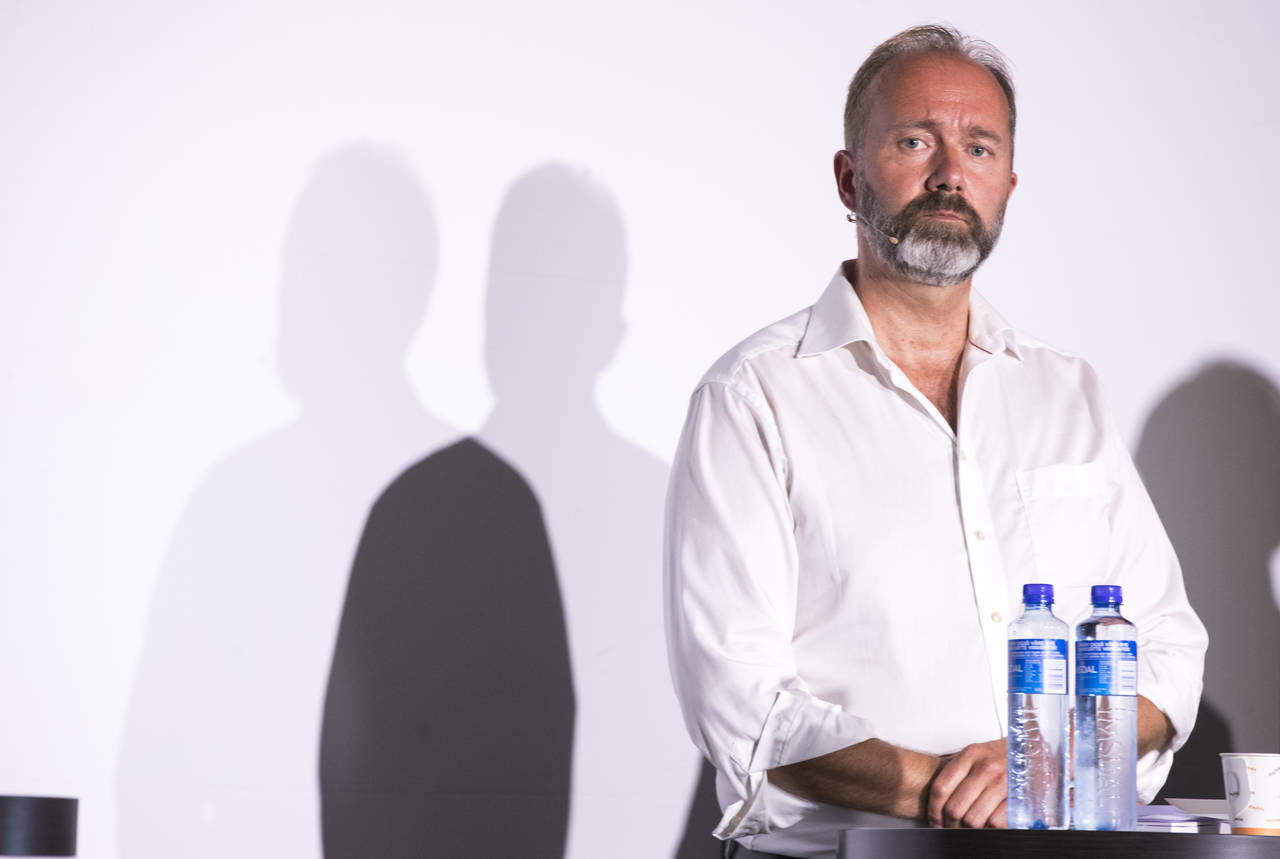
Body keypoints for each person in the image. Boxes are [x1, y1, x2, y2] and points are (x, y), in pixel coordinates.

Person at [662, 24, 1207, 859]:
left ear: (1009, 186)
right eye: (917, 140)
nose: (951, 174)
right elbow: (741, 696)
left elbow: (1169, 651)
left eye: (979, 147)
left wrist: (1055, 760)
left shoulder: (1066, 393)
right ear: (849, 178)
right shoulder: (754, 396)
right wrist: (948, 784)